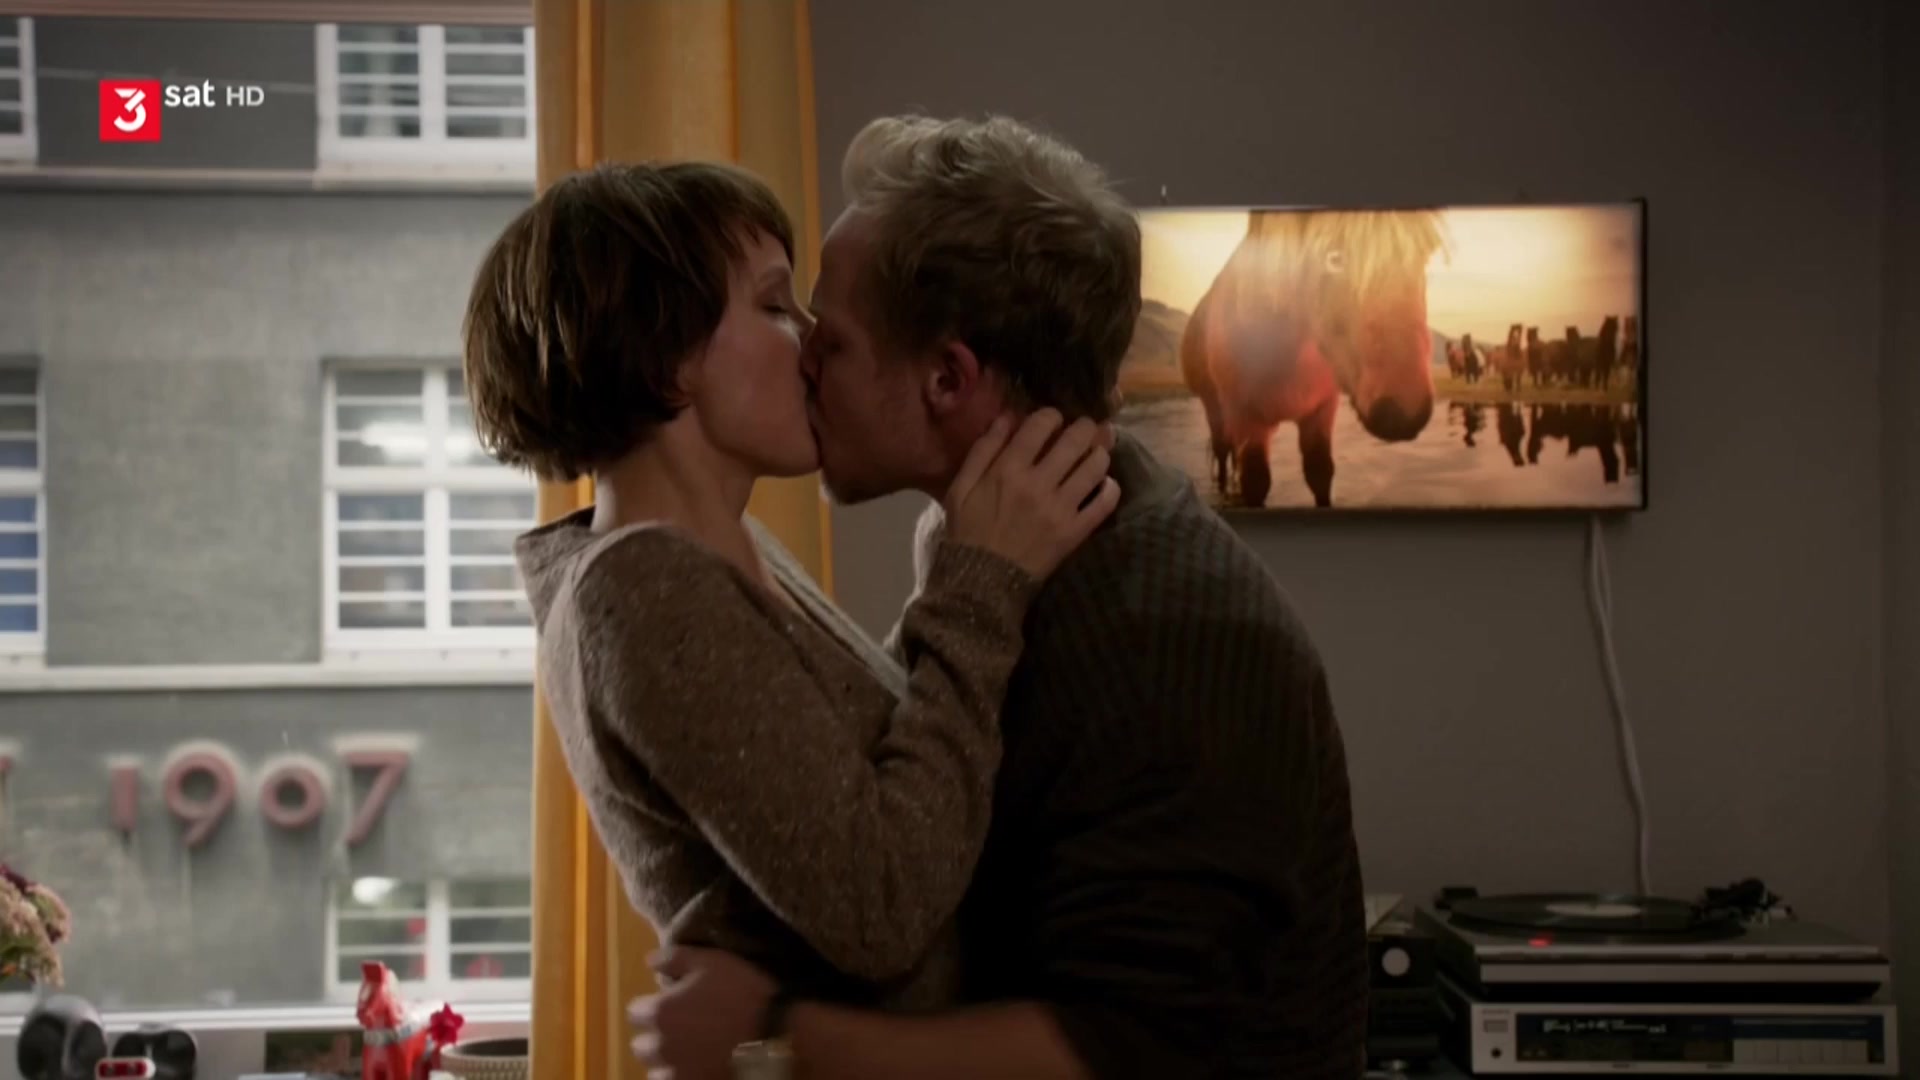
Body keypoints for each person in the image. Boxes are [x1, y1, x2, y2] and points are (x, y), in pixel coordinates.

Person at [632, 116, 1368, 1078]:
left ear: (948, 377)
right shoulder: (992, 542)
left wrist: (771, 1035)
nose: (800, 356)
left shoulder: (1166, 630)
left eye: (831, 340)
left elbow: (1134, 1053)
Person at [462, 161, 1120, 1013]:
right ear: (667, 360)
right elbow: (880, 906)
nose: (812, 341)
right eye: (775, 306)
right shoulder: (644, 590)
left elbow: (866, 757)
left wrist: (973, 550)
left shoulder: (717, 551)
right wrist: (981, 580)